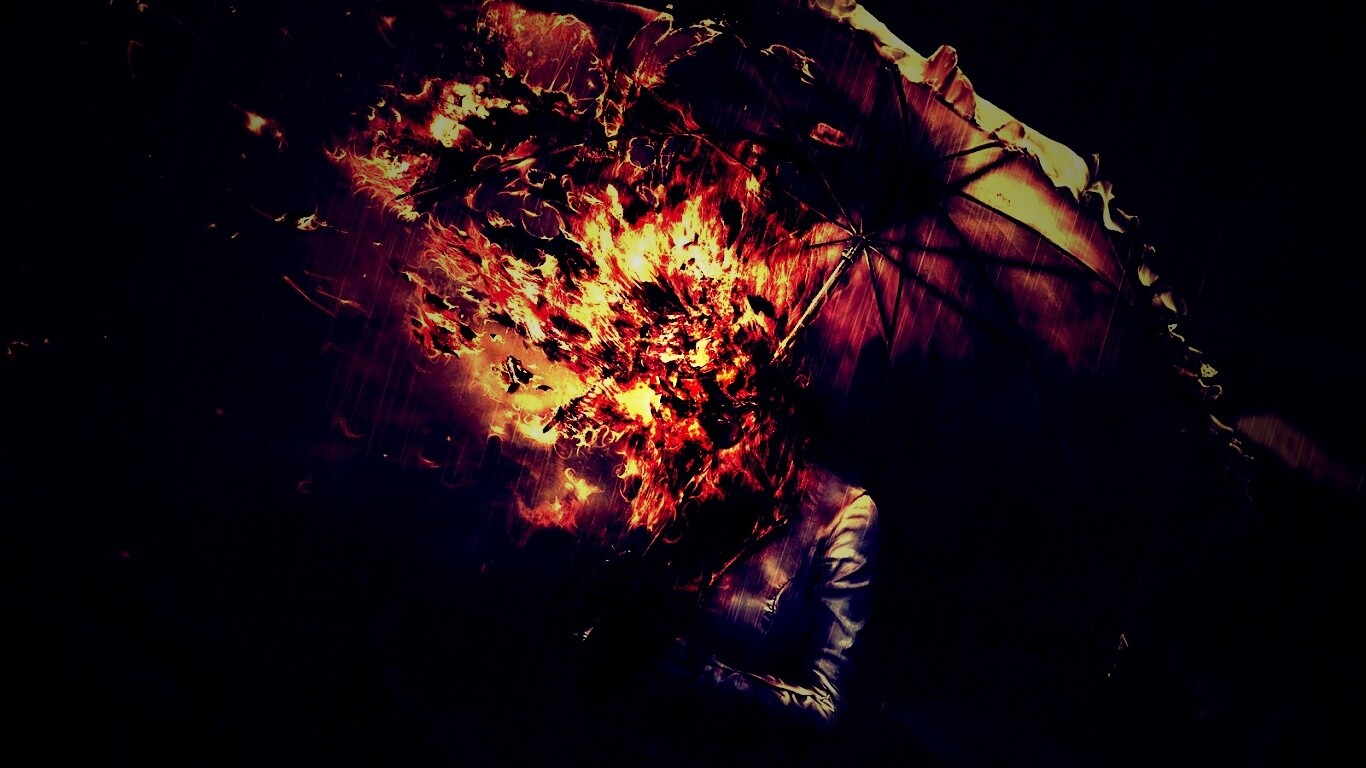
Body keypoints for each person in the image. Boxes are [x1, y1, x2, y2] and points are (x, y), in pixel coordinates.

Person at [570, 439, 880, 766]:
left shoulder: (845, 514)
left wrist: (686, 665)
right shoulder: (690, 474)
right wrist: (611, 618)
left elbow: (828, 710)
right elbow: (594, 678)